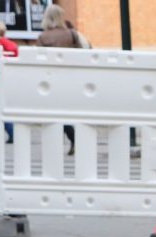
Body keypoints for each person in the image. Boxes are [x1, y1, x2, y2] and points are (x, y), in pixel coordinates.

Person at [37, 4, 85, 154]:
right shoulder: (72, 34)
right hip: (70, 78)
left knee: (54, 113)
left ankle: (63, 142)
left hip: (50, 79)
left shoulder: (43, 37)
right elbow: (81, 54)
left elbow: (37, 59)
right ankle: (74, 140)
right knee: (66, 112)